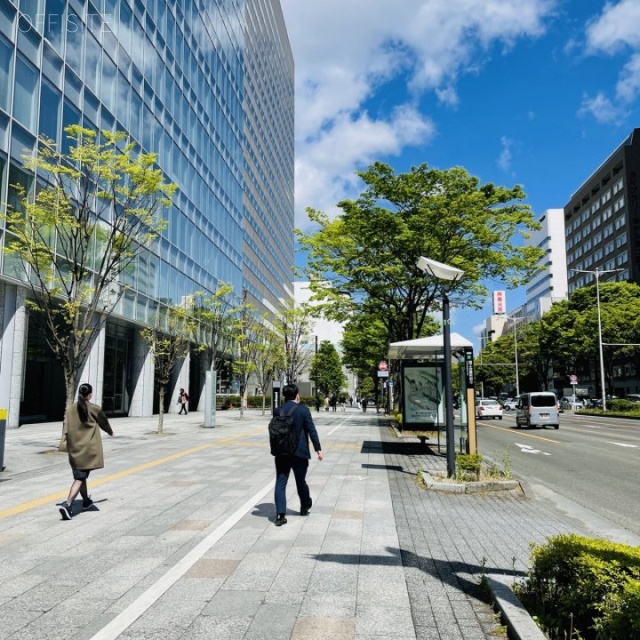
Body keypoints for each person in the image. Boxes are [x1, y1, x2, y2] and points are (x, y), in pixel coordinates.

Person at [59, 383, 113, 520]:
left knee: (81, 476)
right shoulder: (93, 408)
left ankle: (86, 502)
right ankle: (68, 504)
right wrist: (110, 431)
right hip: (87, 451)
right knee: (79, 478)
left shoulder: (70, 409)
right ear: (90, 394)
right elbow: (104, 422)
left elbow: (65, 427)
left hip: (74, 449)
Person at [274, 383, 323, 527]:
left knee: (281, 481)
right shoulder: (303, 410)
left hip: (282, 452)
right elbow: (311, 430)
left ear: (284, 396)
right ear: (297, 395)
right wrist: (318, 449)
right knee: (300, 480)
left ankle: (280, 515)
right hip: (299, 452)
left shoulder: (278, 410)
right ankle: (305, 505)